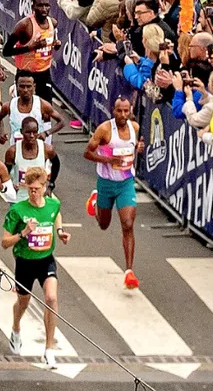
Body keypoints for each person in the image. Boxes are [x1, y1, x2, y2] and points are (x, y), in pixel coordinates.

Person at [1, 165, 67, 368]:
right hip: (25, 262)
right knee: (23, 302)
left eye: (37, 189)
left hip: (45, 259)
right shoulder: (18, 210)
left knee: (51, 297)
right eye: (30, 189)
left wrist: (61, 231)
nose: (33, 193)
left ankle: (49, 349)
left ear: (44, 186)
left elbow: (55, 214)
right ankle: (16, 328)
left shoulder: (53, 204)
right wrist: (23, 233)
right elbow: (4, 242)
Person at [83, 94, 143, 289]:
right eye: (120, 111)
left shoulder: (135, 128)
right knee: (103, 224)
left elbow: (132, 150)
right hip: (106, 183)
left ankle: (129, 271)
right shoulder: (104, 130)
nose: (123, 114)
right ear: (113, 111)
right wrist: (108, 160)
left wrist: (138, 150)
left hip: (125, 182)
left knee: (127, 223)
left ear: (131, 110)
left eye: (126, 111)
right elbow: (87, 152)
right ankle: (94, 202)